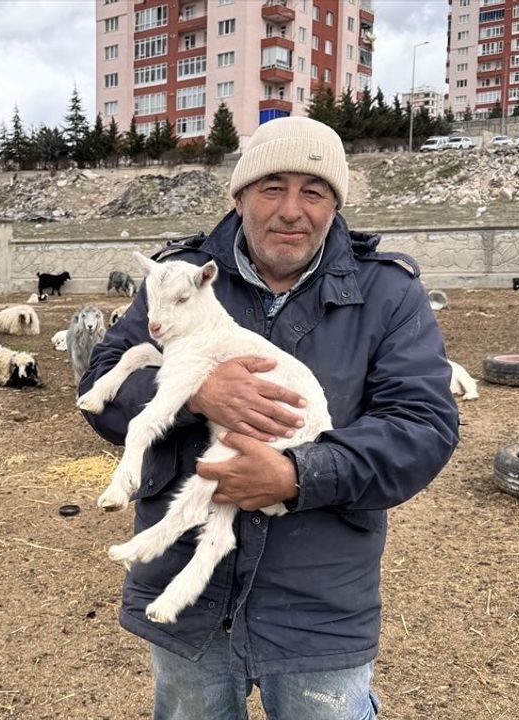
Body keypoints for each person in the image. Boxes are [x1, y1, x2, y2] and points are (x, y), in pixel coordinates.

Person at [79, 116, 460, 719]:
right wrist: (197, 393)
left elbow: (421, 427)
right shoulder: (181, 276)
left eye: (313, 192)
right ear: (239, 197)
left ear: (334, 205)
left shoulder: (388, 293)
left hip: (319, 600)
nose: (291, 210)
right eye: (271, 188)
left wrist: (298, 474)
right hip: (189, 599)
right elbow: (101, 385)